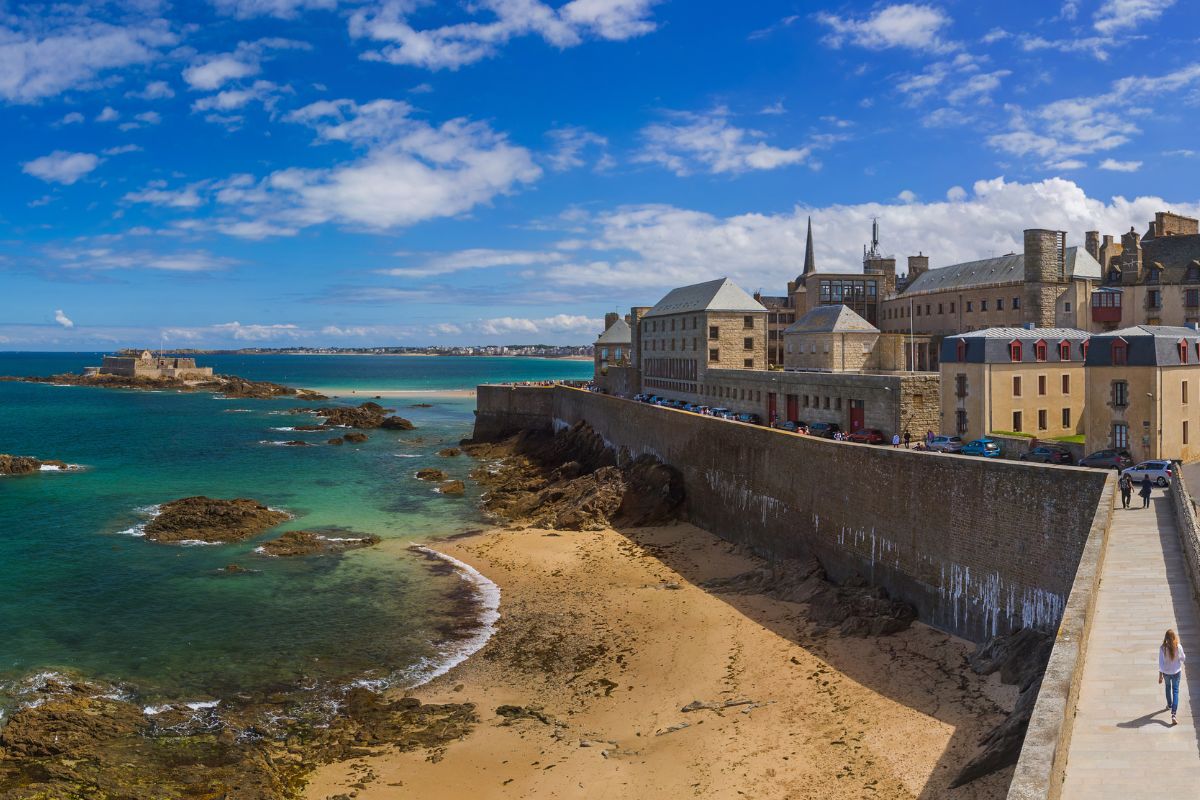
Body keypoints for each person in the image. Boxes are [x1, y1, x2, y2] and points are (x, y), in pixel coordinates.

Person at [1159, 629, 1186, 725]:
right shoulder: (1178, 647)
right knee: (1175, 691)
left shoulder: (1162, 648)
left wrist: (1160, 676)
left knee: (1167, 688)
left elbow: (1161, 663)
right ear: (1174, 637)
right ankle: (1173, 714)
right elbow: (1183, 658)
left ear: (1166, 638)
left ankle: (1169, 705)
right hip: (1176, 673)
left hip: (1166, 673)